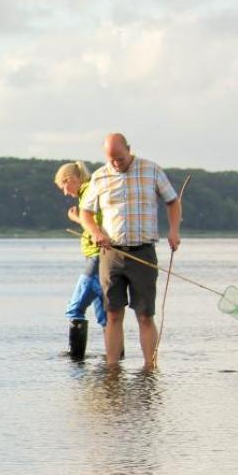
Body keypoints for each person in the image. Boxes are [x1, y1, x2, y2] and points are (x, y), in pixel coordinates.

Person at [79, 133, 181, 367]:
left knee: (145, 315)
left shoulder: (151, 170)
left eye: (120, 158)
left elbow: (173, 201)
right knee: (113, 313)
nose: (116, 163)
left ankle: (150, 367)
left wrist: (174, 231)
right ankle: (113, 369)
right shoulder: (100, 176)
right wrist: (96, 232)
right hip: (111, 252)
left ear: (129, 149)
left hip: (143, 252)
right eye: (111, 159)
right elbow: (85, 213)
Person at [55, 161, 106, 357]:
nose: (66, 193)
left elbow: (95, 225)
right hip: (103, 257)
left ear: (70, 180)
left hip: (95, 256)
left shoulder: (87, 192)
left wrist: (76, 219)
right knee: (106, 315)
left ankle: (75, 359)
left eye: (63, 187)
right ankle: (114, 361)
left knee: (75, 309)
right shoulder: (95, 189)